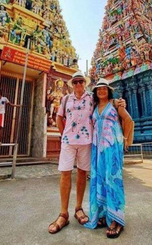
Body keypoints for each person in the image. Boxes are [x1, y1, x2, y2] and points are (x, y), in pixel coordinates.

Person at [48, 71, 125, 234]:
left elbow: (108, 102)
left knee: (82, 173)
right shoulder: (65, 99)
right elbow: (58, 118)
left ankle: (78, 209)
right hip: (68, 142)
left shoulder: (92, 97)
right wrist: (64, 136)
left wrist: (120, 103)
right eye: (75, 82)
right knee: (65, 174)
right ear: (71, 84)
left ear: (85, 83)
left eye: (80, 81)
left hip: (86, 142)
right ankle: (63, 214)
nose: (78, 84)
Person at [84, 79, 132, 238]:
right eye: (99, 89)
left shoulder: (116, 104)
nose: (102, 91)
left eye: (104, 88)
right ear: (96, 92)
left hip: (112, 148)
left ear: (109, 91)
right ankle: (104, 215)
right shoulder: (95, 107)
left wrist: (126, 140)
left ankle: (117, 220)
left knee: (113, 181)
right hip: (98, 150)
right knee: (100, 180)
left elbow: (128, 121)